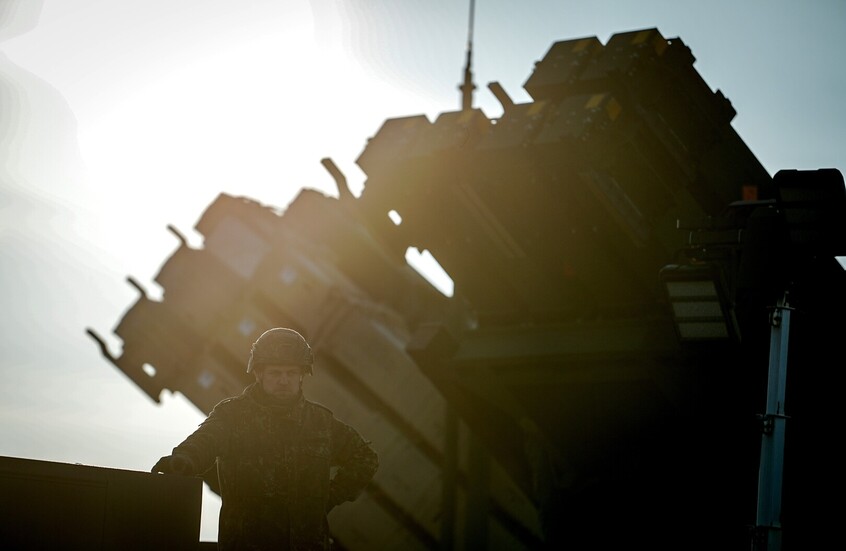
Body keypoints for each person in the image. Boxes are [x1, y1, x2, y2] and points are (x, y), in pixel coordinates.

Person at [152, 327, 379, 550]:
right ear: (259, 374)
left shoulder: (320, 423)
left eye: (291, 373)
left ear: (302, 375)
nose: (284, 380)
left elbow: (365, 459)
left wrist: (327, 498)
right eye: (275, 373)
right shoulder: (233, 416)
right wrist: (185, 459)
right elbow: (206, 440)